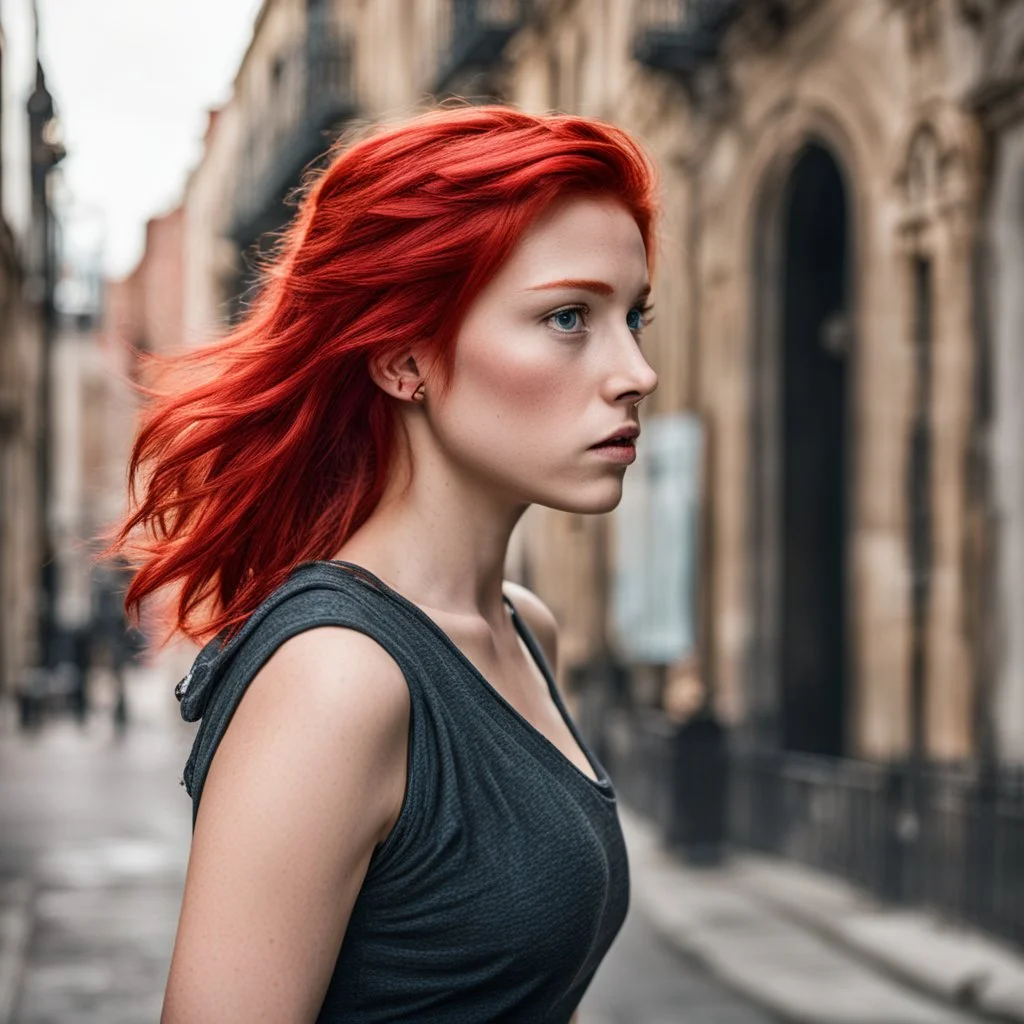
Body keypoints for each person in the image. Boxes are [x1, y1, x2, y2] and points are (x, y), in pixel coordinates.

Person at [106, 103, 659, 1023]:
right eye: (569, 317)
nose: (635, 369)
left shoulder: (525, 631)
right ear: (404, 359)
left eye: (633, 315)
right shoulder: (339, 679)